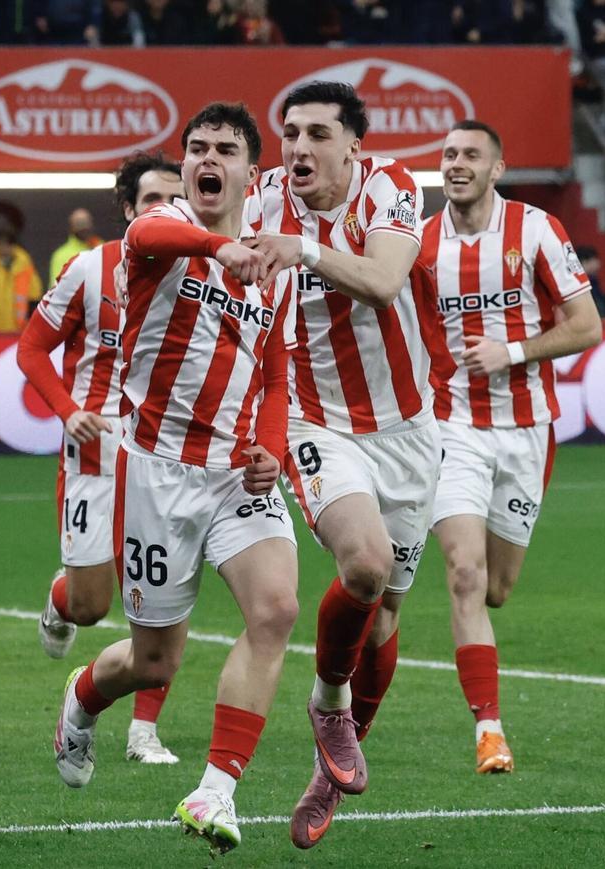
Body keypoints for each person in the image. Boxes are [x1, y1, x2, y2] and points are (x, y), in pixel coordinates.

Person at [51, 103, 298, 857]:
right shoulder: (162, 235)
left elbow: (279, 378)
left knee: (277, 610)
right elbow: (149, 231)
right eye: (197, 148)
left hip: (235, 476)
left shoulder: (274, 266)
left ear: (252, 171)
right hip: (155, 474)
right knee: (154, 659)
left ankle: (215, 791)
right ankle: (84, 694)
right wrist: (217, 248)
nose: (207, 157)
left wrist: (273, 448)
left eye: (225, 148)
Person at [243, 81, 444, 849]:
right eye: (289, 132)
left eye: (318, 133)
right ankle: (329, 703)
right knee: (365, 564)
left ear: (354, 145)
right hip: (313, 419)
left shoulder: (389, 186)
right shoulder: (263, 199)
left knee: (386, 609)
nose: (298, 146)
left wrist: (307, 251)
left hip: (408, 428)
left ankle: (328, 772)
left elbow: (386, 279)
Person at [419, 120, 601, 776]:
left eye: (471, 154)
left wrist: (513, 351)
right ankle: (489, 729)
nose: (456, 163)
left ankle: (484, 685)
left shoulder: (537, 231)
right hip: (453, 428)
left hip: (526, 431)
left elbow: (587, 325)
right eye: (448, 154)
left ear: (497, 168)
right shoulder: (420, 244)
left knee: (496, 587)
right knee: (463, 572)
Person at [18, 152, 184, 767]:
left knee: (166, 591)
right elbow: (33, 349)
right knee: (92, 606)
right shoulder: (91, 270)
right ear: (128, 209)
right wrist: (67, 411)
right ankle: (60, 600)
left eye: (177, 199)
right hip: (95, 446)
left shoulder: (202, 275)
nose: (165, 211)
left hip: (168, 449)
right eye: (151, 201)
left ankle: (144, 733)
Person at [0, 228, 42, 332]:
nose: (4, 247)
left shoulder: (24, 265)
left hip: (17, 329)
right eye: (1, 243)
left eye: (8, 244)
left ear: (14, 245)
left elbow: (35, 296)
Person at [49, 208, 102, 287]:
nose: (84, 229)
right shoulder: (61, 255)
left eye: (85, 223)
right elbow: (56, 288)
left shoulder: (102, 247)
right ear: (71, 227)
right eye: (79, 224)